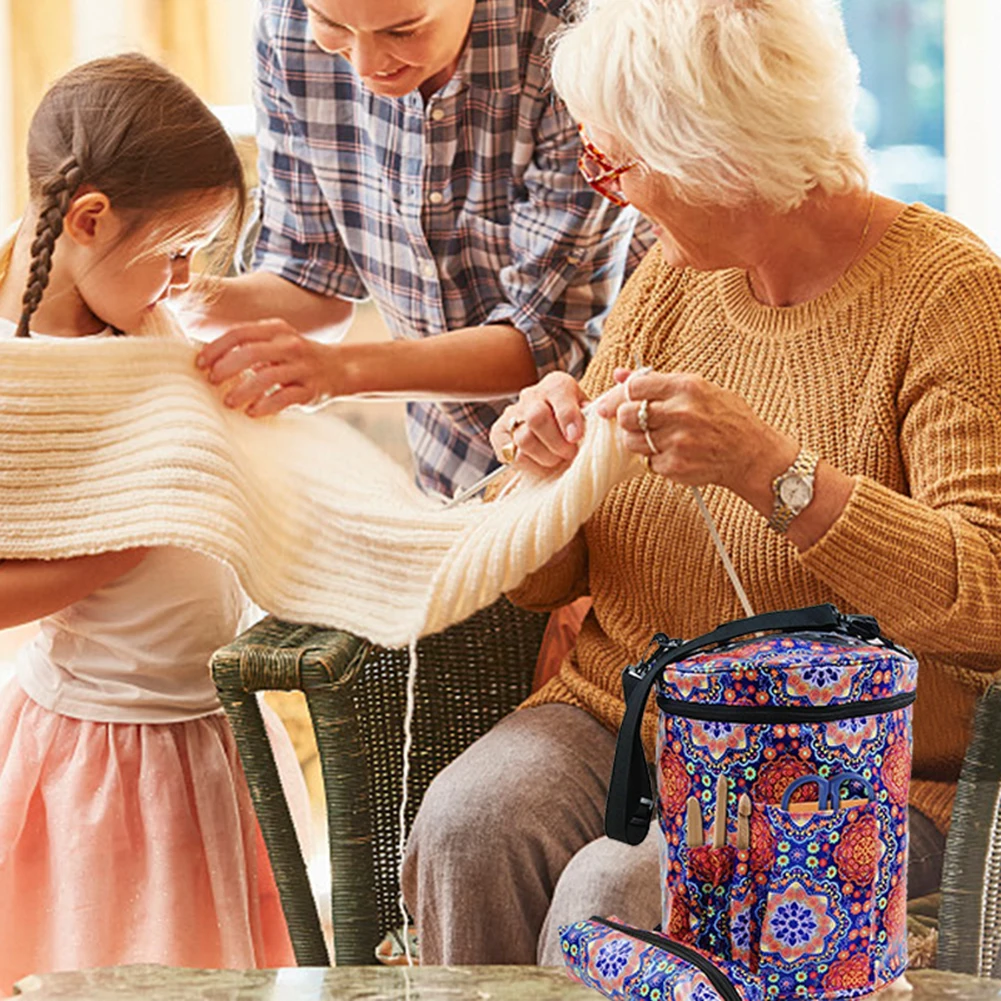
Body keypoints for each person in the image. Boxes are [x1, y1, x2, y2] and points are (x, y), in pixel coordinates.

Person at [403, 0, 1001, 967]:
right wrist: (544, 473)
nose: (609, 195)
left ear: (715, 154)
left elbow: (988, 595)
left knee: (620, 886)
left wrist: (775, 474)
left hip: (834, 765)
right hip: (624, 714)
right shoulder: (673, 276)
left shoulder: (949, 297)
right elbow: (550, 581)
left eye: (618, 164)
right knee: (472, 819)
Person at [0, 55, 306, 991]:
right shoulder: (21, 375)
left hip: (216, 730)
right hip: (106, 753)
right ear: (88, 218)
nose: (184, 280)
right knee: (121, 965)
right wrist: (133, 532)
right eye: (175, 250)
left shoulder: (146, 324)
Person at [190, 0, 651, 498]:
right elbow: (308, 278)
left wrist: (339, 371)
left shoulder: (572, 39)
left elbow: (547, 339)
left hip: (607, 439)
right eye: (332, 25)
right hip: (449, 457)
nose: (365, 65)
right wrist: (172, 291)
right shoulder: (286, 26)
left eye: (403, 31)